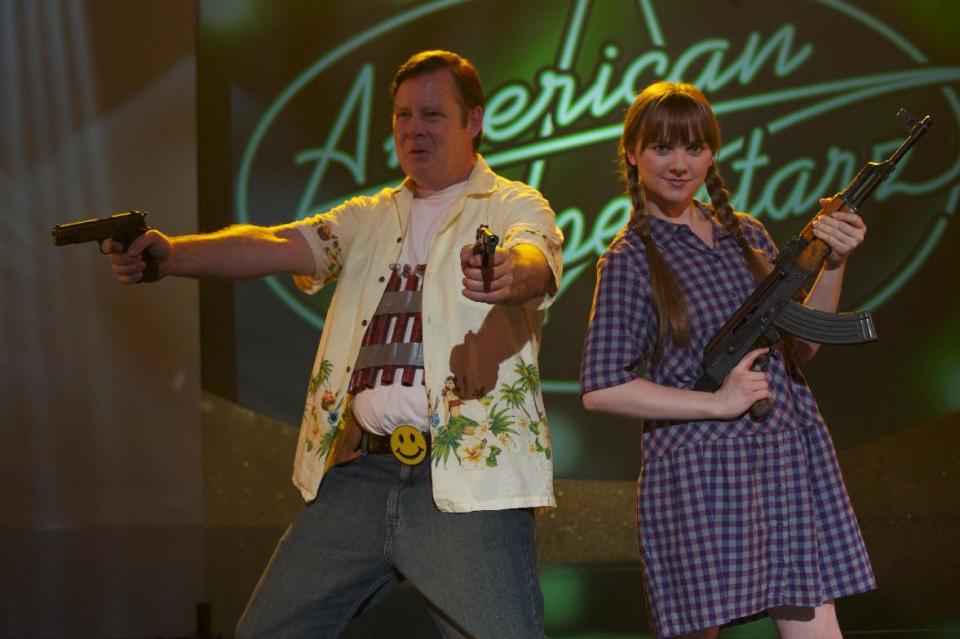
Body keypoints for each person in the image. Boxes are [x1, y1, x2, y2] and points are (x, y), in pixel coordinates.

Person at [104, 50, 563, 638]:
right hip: (359, 477)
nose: (413, 129)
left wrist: (506, 271)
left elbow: (537, 259)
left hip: (462, 481)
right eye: (401, 116)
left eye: (432, 114)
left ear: (473, 121)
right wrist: (171, 255)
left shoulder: (512, 204)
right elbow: (273, 242)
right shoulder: (369, 217)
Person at [579, 82, 875, 638]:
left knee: (818, 626)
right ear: (632, 152)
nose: (679, 163)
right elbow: (600, 387)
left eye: (694, 148)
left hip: (785, 451)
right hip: (702, 472)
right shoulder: (628, 259)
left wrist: (832, 263)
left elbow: (803, 345)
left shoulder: (747, 234)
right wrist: (716, 403)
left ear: (712, 154)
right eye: (662, 147)